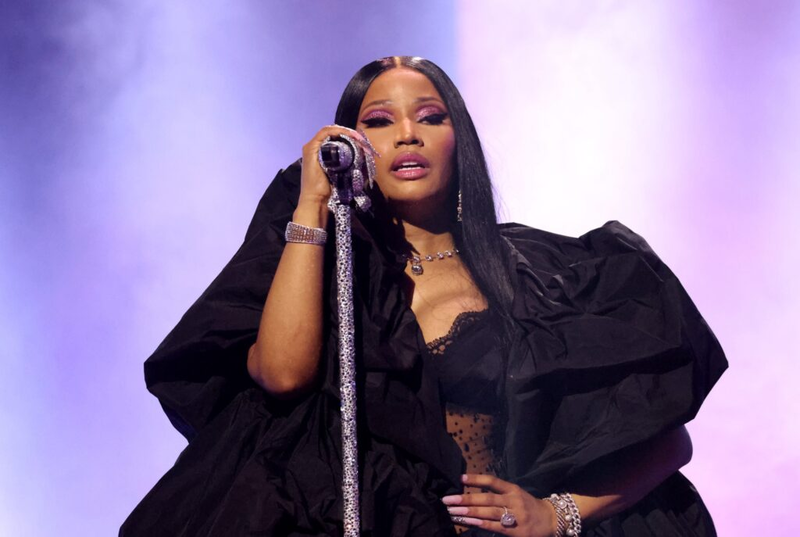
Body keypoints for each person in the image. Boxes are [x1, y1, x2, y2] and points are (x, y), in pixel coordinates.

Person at [120, 56, 727, 536]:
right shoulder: (321, 270)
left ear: (458, 141)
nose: (407, 134)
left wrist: (555, 515)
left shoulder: (547, 276)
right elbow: (282, 375)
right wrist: (312, 203)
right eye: (379, 122)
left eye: (431, 117)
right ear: (349, 143)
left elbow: (665, 439)